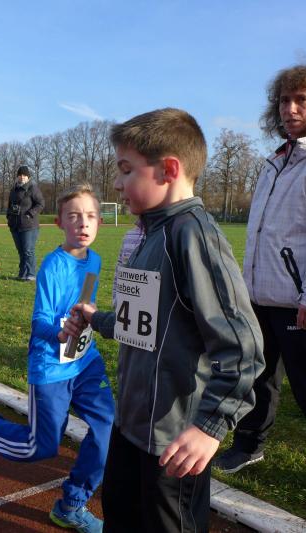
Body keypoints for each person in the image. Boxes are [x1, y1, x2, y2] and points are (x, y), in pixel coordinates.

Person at [67, 108, 264, 532]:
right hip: (130, 427)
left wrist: (209, 427)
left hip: (172, 443)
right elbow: (143, 325)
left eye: (126, 170)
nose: (116, 183)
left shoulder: (193, 236)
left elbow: (243, 347)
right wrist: (95, 318)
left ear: (169, 170)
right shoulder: (148, 235)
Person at [212, 64, 306, 513]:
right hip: (261, 295)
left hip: (304, 301)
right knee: (259, 376)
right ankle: (250, 443)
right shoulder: (277, 160)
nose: (290, 109)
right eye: (284, 100)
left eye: (302, 100)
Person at [0, 184, 115, 533]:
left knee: (108, 429)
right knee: (40, 448)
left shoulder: (95, 260)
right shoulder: (53, 267)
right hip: (51, 367)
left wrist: (86, 319)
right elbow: (40, 321)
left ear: (100, 222)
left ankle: (71, 505)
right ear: (59, 223)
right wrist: (60, 333)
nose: (83, 223)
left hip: (84, 362)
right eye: (74, 217)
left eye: (90, 216)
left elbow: (84, 303)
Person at [7, 165, 45, 280]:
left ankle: (31, 274)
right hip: (15, 225)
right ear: (17, 176)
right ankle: (22, 274)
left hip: (29, 226)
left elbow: (41, 204)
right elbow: (9, 205)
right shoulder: (13, 190)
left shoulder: (33, 188)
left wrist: (30, 213)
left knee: (28, 251)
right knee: (21, 251)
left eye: (24, 175)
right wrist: (9, 217)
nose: (22, 177)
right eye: (20, 175)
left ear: (28, 177)